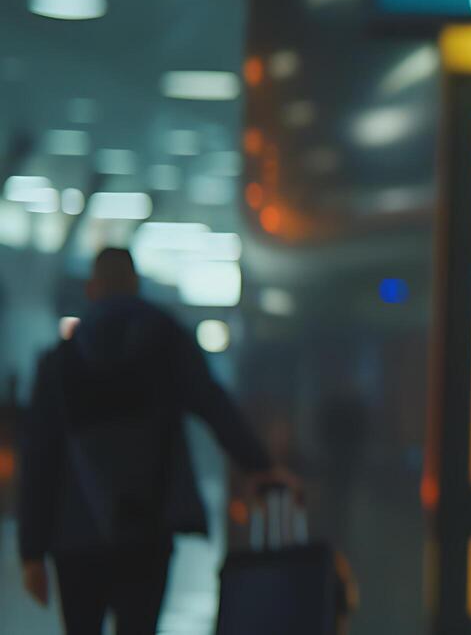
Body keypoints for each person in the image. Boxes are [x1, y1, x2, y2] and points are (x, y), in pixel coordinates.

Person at [17, 248, 288, 635]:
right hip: (148, 524)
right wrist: (260, 466)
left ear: (93, 289)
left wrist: (32, 553)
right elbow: (214, 405)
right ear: (136, 285)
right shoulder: (167, 341)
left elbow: (40, 455)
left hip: (76, 533)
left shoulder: (61, 361)